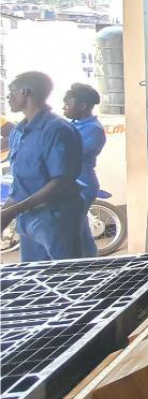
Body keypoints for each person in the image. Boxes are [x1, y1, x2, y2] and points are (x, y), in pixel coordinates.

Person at [0, 71, 85, 261]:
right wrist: (6, 213)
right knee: (33, 280)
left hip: (56, 216)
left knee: (66, 278)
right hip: (27, 216)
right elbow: (21, 185)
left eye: (12, 92)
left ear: (26, 92)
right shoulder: (18, 132)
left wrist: (12, 211)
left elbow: (61, 182)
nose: (8, 97)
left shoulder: (57, 129)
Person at [62, 83, 107, 257]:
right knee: (78, 228)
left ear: (82, 106)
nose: (64, 107)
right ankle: (90, 261)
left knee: (75, 228)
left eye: (68, 104)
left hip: (83, 183)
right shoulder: (71, 124)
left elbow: (67, 155)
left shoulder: (93, 129)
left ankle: (88, 261)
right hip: (70, 182)